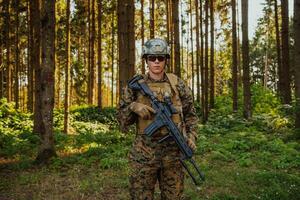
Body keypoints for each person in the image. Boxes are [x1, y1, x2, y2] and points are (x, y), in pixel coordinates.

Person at [117, 38, 199, 200]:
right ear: (146, 60)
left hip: (173, 154)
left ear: (166, 60)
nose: (156, 61)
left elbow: (191, 115)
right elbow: (121, 120)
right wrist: (133, 106)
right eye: (151, 58)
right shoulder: (135, 85)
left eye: (160, 58)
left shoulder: (178, 84)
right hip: (144, 154)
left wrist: (191, 136)